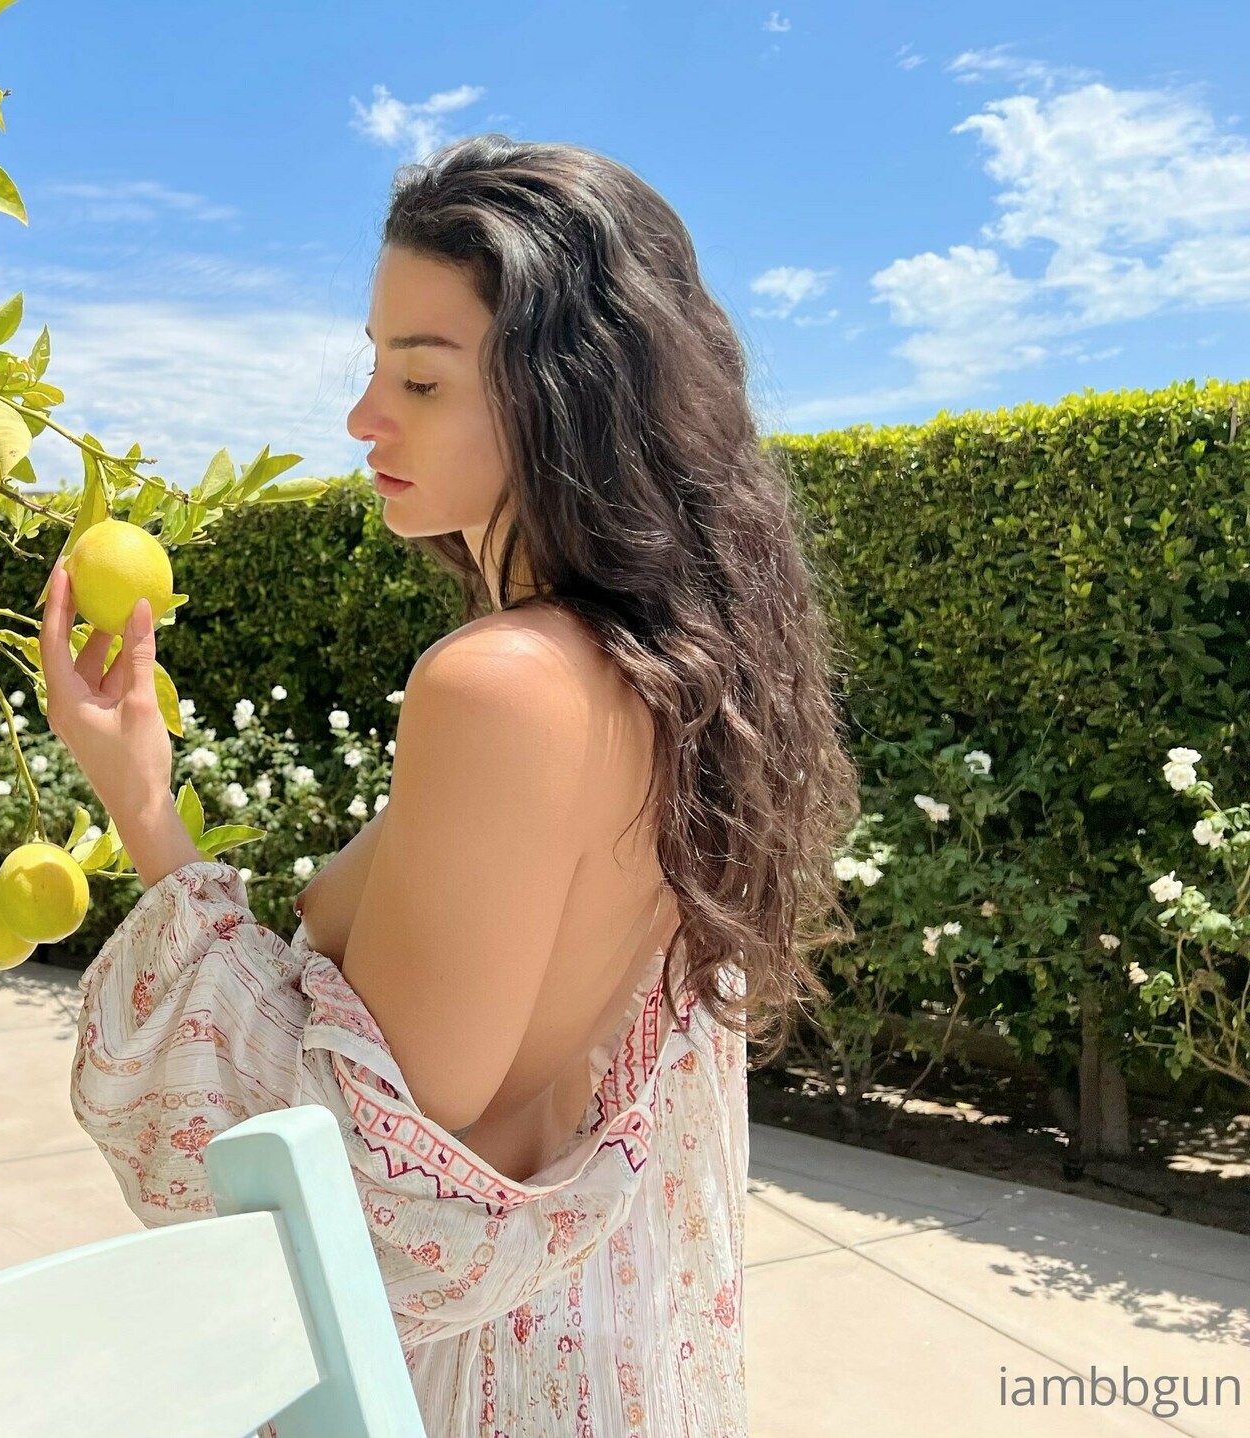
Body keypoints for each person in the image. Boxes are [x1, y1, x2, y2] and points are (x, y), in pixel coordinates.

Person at [43, 133, 861, 1438]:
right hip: (597, 1358)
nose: (364, 417)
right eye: (373, 364)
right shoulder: (675, 680)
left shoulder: (501, 686)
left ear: (567, 395)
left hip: (464, 1390)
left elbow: (379, 1186)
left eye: (420, 378)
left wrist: (145, 809)